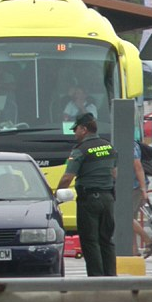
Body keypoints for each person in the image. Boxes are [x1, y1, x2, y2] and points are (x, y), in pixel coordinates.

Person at [56, 113, 118, 276]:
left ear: (84, 129)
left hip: (89, 200)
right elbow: (114, 173)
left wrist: (55, 194)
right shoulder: (108, 146)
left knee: (90, 241)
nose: (75, 133)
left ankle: (96, 278)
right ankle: (111, 277)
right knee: (106, 240)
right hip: (108, 198)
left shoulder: (80, 150)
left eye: (76, 129)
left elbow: (68, 177)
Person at [132, 142, 152, 258]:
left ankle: (149, 240)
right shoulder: (132, 144)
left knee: (125, 218)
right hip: (132, 186)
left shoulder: (130, 145)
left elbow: (138, 167)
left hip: (134, 187)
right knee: (131, 220)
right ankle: (134, 252)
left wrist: (143, 189)